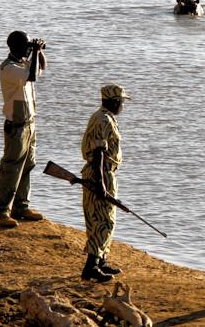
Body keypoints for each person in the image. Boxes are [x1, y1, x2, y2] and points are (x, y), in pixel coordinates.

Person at [0, 31, 47, 228]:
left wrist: (38, 53)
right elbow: (31, 76)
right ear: (15, 46)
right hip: (16, 126)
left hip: (29, 123)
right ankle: (0, 211)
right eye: (26, 45)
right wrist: (35, 51)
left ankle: (21, 206)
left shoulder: (23, 63)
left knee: (28, 165)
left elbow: (40, 69)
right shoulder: (9, 68)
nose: (28, 48)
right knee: (11, 167)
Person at [79, 84, 131, 283]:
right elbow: (99, 152)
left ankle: (100, 260)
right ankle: (91, 267)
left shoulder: (105, 117)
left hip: (104, 173)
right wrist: (101, 183)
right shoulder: (103, 119)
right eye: (122, 102)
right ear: (114, 101)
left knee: (104, 218)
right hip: (99, 174)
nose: (123, 106)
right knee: (102, 220)